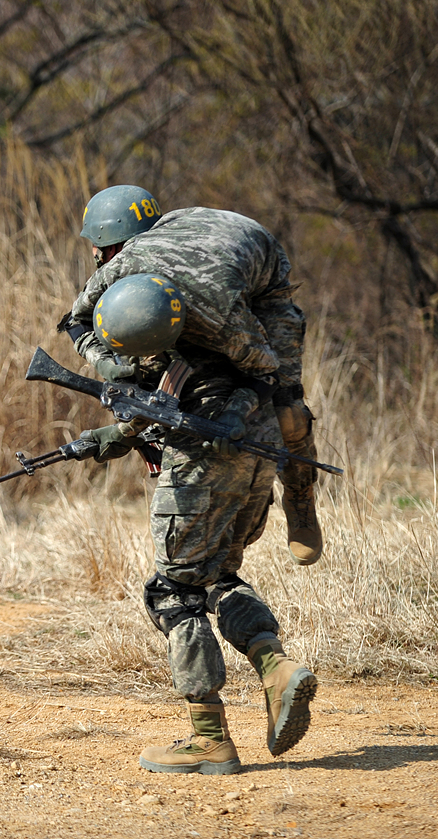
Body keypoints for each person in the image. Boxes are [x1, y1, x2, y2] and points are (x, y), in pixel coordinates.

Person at [57, 185, 321, 775]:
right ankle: (277, 669)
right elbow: (94, 334)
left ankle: (209, 739)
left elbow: (259, 361)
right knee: (219, 575)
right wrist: (123, 391)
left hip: (215, 442)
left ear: (105, 248)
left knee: (173, 593)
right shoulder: (137, 272)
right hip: (260, 449)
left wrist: (198, 416)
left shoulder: (208, 309)